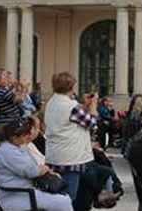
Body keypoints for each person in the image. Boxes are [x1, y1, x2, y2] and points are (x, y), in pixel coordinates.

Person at [0, 118, 74, 211]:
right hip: (19, 195)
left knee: (61, 198)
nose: (27, 137)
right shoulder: (8, 151)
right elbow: (32, 171)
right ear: (15, 137)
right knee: (64, 201)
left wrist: (40, 169)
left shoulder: (10, 147)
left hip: (21, 191)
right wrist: (44, 169)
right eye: (25, 135)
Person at [45, 72, 97, 200]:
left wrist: (85, 105)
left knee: (57, 195)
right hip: (70, 157)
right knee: (68, 197)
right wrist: (94, 104)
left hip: (55, 154)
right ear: (71, 86)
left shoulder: (52, 102)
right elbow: (92, 121)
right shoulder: (71, 106)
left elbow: (75, 118)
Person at [0, 68, 26, 133]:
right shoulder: (3, 92)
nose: (8, 79)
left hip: (1, 123)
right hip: (8, 124)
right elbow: (21, 99)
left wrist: (12, 87)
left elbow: (7, 96)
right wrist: (24, 87)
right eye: (6, 76)